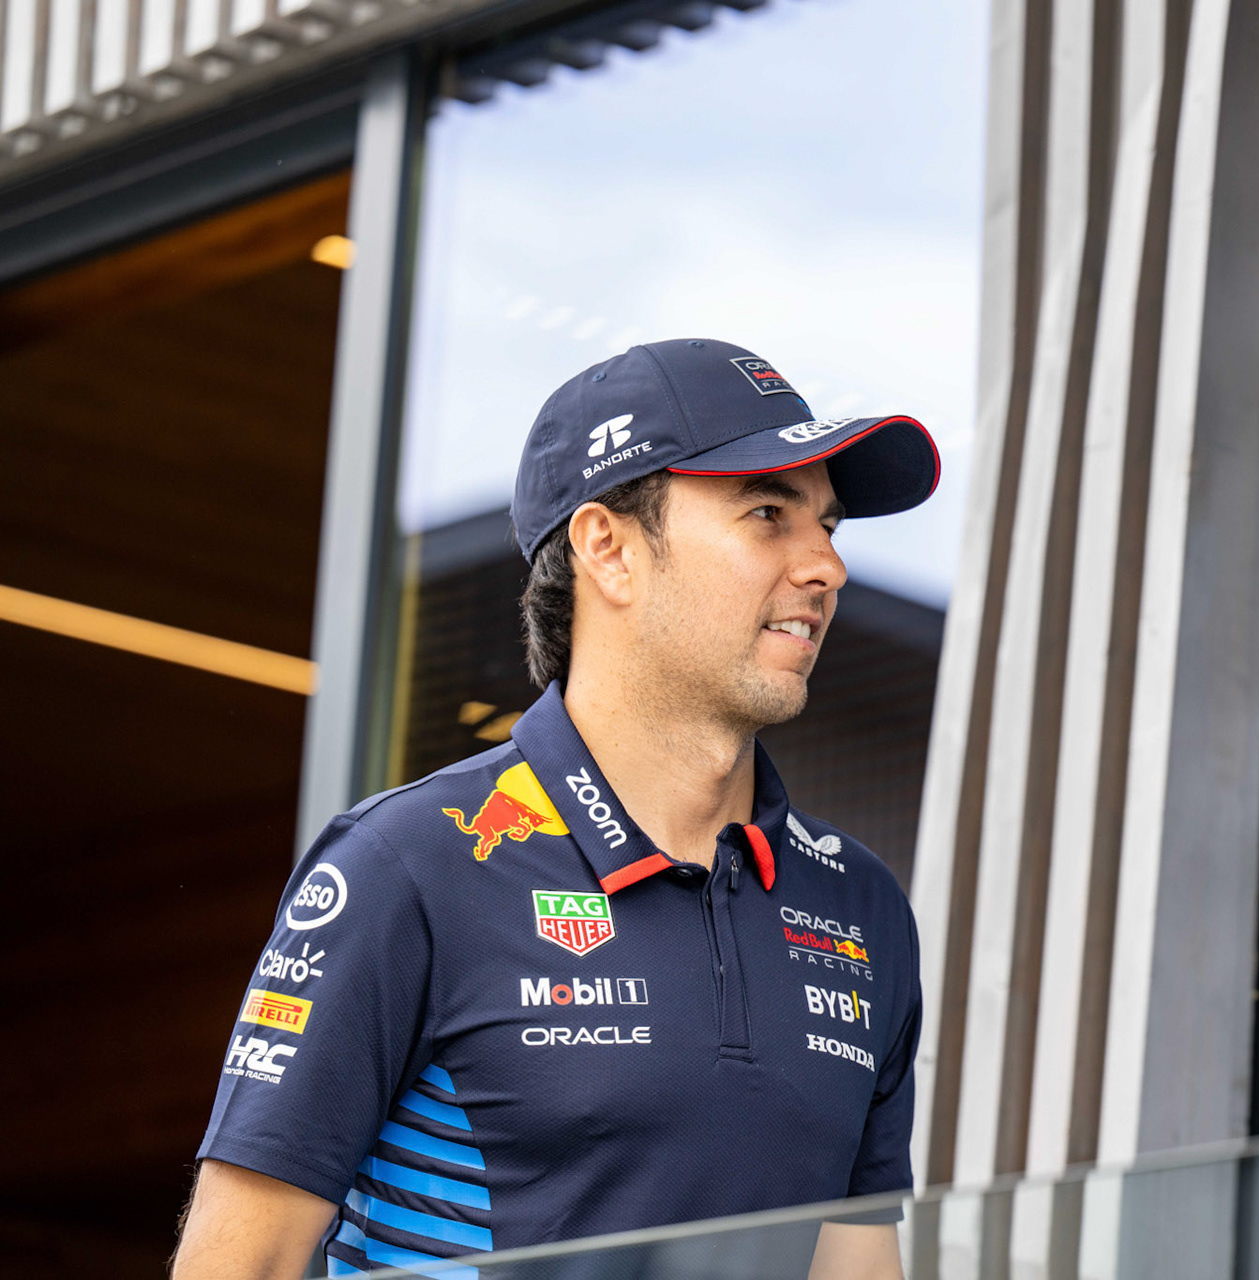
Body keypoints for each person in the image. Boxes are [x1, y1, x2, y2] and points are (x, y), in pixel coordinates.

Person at [171, 339, 939, 1280]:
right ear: (608, 550)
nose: (825, 565)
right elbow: (238, 1266)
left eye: (829, 524)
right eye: (769, 514)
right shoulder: (410, 865)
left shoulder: (860, 906)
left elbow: (855, 1271)